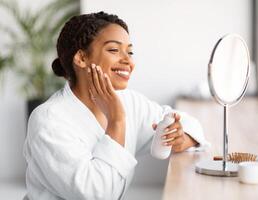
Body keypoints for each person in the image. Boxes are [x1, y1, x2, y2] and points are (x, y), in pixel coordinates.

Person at [23, 11, 210, 200]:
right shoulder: (49, 120)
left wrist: (180, 137)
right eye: (114, 50)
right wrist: (117, 120)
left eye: (129, 52)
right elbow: (95, 194)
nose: (128, 61)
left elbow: (187, 123)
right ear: (81, 58)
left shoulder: (128, 101)